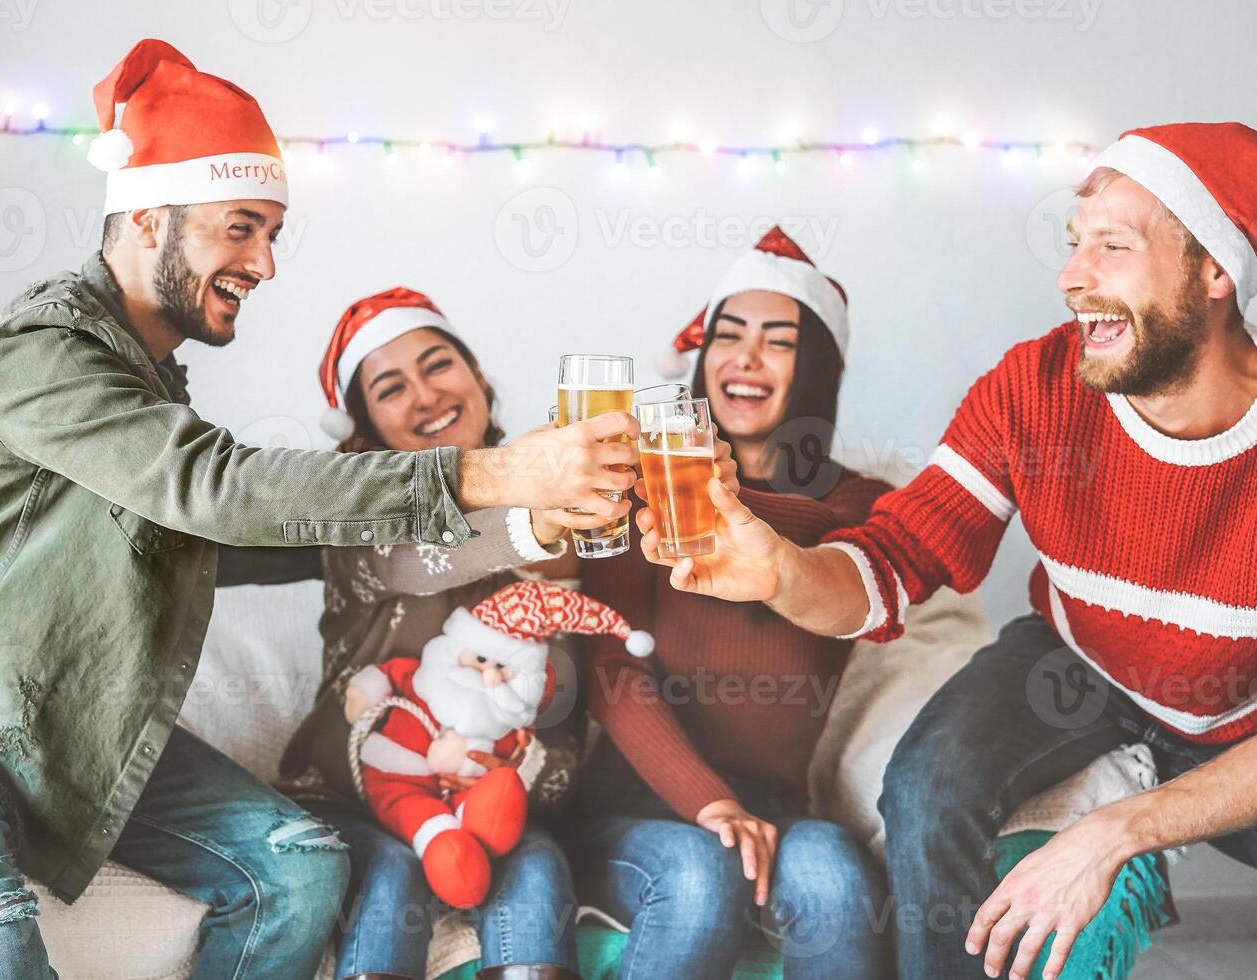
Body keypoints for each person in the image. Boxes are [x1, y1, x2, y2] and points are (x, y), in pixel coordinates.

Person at [0, 43, 637, 980]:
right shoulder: (43, 352)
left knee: (298, 864)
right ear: (150, 214)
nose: (265, 262)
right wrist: (492, 472)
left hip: (61, 731)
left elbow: (259, 539)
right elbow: (219, 490)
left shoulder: (148, 385)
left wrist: (524, 525)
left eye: (271, 232)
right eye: (241, 228)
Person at [633, 124, 1257, 980]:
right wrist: (781, 572)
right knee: (926, 788)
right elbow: (895, 555)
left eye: (1112, 246)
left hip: (1240, 714)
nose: (1071, 278)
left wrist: (1117, 827)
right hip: (1077, 659)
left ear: (1215, 271)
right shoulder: (1033, 386)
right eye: (1074, 245)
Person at [252, 287, 626, 980]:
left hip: (489, 809)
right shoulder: (355, 513)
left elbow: (563, 729)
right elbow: (420, 557)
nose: (425, 395)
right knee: (391, 875)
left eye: (438, 365)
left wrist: (505, 778)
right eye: (391, 387)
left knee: (538, 870)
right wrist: (536, 516)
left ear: (478, 379)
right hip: (354, 796)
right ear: (364, 434)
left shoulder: (571, 521)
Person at [568, 227, 896, 979]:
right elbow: (612, 667)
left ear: (814, 369)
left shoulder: (861, 510)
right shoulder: (643, 488)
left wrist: (735, 503)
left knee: (837, 877)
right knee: (698, 876)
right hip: (636, 803)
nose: (745, 358)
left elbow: (841, 552)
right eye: (728, 335)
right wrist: (709, 803)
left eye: (777, 342)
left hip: (775, 804)